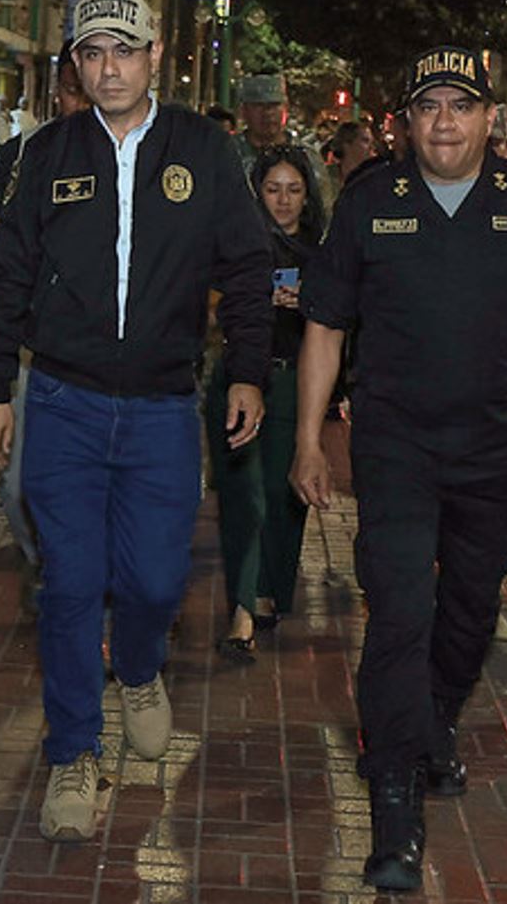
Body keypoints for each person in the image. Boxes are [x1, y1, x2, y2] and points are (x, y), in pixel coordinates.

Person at [291, 45, 507, 892]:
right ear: (406, 121)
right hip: (395, 446)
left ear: (487, 118)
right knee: (400, 608)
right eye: (428, 105)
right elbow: (325, 326)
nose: (444, 120)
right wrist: (306, 439)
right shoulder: (371, 203)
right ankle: (396, 800)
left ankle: (433, 721)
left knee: (470, 610)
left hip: (493, 451)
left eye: (461, 105)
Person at [0, 0, 271, 843]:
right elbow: (9, 276)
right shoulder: (46, 153)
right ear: (76, 64)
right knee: (69, 584)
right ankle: (75, 753)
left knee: (152, 582)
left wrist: (247, 371)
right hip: (62, 401)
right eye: (92, 52)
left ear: (155, 58)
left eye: (125, 51)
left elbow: (249, 267)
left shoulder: (205, 151)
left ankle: (138, 669)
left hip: (164, 408)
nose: (109, 67)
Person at [0, 42, 91, 585]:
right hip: (35, 359)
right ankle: (49, 568)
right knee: (19, 486)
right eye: (70, 90)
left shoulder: (146, 156)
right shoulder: (27, 155)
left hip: (116, 366)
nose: (78, 103)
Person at [207, 144, 326, 663]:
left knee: (283, 496)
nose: (282, 201)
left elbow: (345, 323)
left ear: (308, 196)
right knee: (245, 496)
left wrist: (312, 305)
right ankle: (241, 610)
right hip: (238, 382)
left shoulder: (323, 254)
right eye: (272, 189)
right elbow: (205, 313)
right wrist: (246, 302)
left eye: (293, 190)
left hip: (295, 387)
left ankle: (270, 590)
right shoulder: (234, 247)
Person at [233, 72, 291, 177]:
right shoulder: (228, 152)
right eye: (258, 105)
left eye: (275, 105)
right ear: (244, 111)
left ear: (285, 108)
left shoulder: (306, 156)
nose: (268, 112)